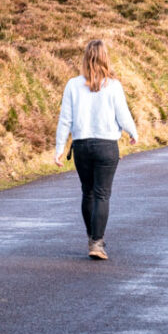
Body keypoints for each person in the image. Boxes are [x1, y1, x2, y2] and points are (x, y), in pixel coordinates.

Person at [55, 39, 138, 260]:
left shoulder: (73, 85)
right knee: (102, 194)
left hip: (81, 146)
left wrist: (59, 148)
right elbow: (123, 114)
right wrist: (133, 132)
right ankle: (97, 243)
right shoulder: (114, 85)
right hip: (106, 146)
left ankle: (92, 238)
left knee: (88, 191)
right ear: (105, 59)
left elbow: (65, 119)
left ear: (85, 58)